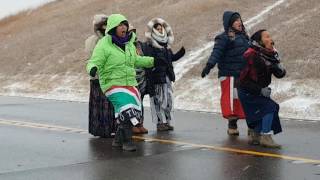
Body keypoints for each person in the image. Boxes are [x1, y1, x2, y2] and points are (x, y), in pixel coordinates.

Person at [86, 14, 155, 151]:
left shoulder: (129, 44)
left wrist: (152, 61)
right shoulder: (104, 44)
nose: (124, 27)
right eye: (121, 25)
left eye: (125, 25)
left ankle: (117, 139)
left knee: (134, 111)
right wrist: (92, 69)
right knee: (127, 110)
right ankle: (127, 141)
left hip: (129, 83)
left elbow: (136, 60)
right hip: (112, 83)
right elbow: (94, 61)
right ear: (113, 27)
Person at [201, 11, 249, 136]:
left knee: (244, 99)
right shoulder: (226, 37)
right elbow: (216, 52)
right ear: (230, 23)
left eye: (240, 19)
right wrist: (209, 66)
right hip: (229, 74)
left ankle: (252, 125)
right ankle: (232, 124)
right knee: (231, 99)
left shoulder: (244, 37)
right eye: (236, 20)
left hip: (242, 74)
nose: (239, 22)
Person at [238, 29, 286, 148]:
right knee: (270, 107)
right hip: (247, 91)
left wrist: (278, 64)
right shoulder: (250, 54)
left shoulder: (269, 55)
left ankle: (255, 133)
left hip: (258, 90)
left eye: (270, 36)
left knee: (270, 108)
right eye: (267, 37)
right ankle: (265, 137)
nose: (270, 39)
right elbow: (242, 80)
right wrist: (260, 90)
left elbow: (279, 74)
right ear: (259, 40)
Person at [143, 18, 185, 131]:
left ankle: (166, 121)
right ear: (153, 31)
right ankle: (159, 122)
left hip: (166, 77)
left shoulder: (165, 45)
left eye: (161, 28)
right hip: (156, 78)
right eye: (157, 29)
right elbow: (148, 61)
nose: (160, 30)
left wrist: (180, 54)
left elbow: (171, 58)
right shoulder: (149, 45)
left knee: (168, 100)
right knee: (158, 100)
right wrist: (155, 65)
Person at [85, 14, 116, 138]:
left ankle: (108, 128)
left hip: (109, 77)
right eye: (103, 25)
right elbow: (92, 59)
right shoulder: (92, 41)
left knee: (107, 105)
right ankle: (101, 129)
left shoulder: (110, 39)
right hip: (98, 77)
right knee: (101, 105)